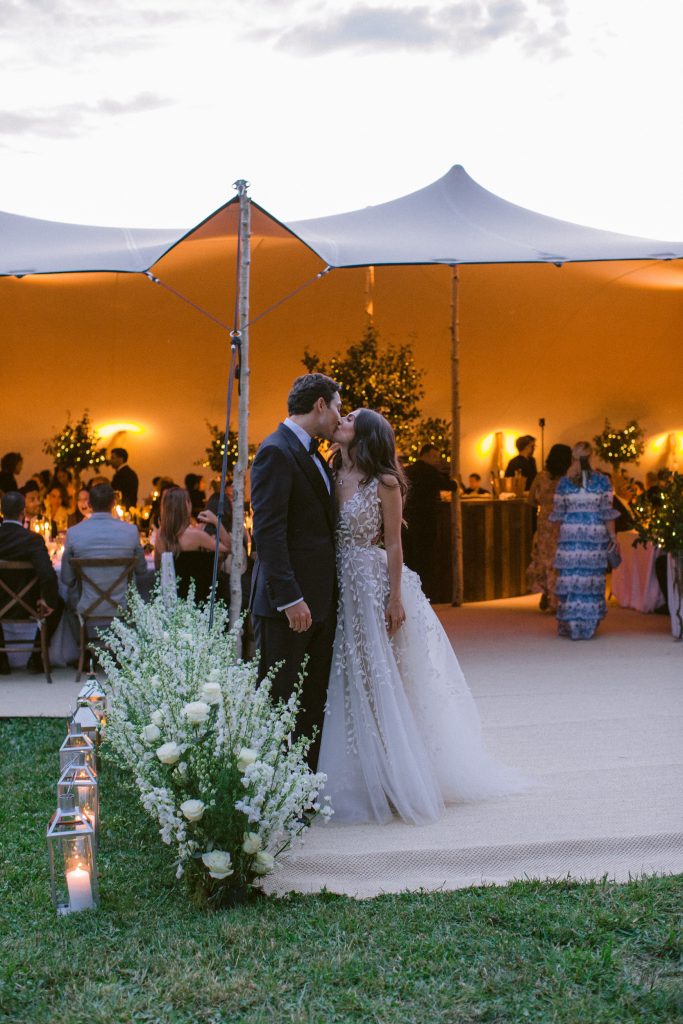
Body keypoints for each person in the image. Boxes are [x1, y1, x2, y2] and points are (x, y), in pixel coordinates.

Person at [318, 409, 527, 825]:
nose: (343, 418)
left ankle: (394, 778)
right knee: (342, 677)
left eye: (352, 417)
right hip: (333, 583)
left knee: (381, 678)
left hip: (368, 583)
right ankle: (354, 774)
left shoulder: (385, 482)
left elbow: (394, 545)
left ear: (366, 434)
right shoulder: (328, 472)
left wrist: (395, 597)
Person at [250, 372, 342, 769]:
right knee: (276, 703)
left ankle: (302, 789)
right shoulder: (276, 451)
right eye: (337, 407)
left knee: (311, 703)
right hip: (287, 606)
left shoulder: (312, 453)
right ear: (320, 405)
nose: (340, 416)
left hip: (319, 604)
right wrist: (290, 598)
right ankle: (267, 790)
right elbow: (268, 533)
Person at [549, 441, 619, 640]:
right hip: (594, 536)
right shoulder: (603, 481)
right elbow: (607, 512)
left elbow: (558, 514)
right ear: (591, 457)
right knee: (591, 580)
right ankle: (588, 626)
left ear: (573, 458)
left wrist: (558, 540)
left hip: (570, 536)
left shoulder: (564, 482)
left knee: (571, 580)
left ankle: (571, 624)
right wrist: (612, 537)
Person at [61, 482, 147, 617]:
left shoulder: (73, 533)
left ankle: (82, 637)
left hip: (87, 608)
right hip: (124, 606)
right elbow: (142, 570)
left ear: (89, 504)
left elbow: (67, 579)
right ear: (113, 503)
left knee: (67, 609)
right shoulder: (130, 531)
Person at [0, 491, 62, 674]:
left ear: (2, 512)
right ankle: (37, 655)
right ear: (23, 513)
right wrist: (48, 601)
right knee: (59, 603)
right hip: (30, 604)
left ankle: (1, 660)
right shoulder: (32, 540)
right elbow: (48, 575)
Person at [154, 486, 230, 603]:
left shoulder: (160, 535)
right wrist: (216, 521)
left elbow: (157, 567)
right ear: (186, 505)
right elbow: (227, 547)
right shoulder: (196, 535)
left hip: (170, 596)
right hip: (195, 597)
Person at [403, 443, 455, 601]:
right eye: (434, 456)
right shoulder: (430, 472)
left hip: (408, 520)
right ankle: (423, 592)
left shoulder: (407, 470)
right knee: (425, 559)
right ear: (424, 455)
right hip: (426, 520)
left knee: (410, 557)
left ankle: (409, 592)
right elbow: (451, 486)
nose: (436, 460)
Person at [526, 443, 572, 611]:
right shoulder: (568, 480)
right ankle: (556, 599)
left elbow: (530, 500)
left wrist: (544, 505)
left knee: (545, 559)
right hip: (562, 524)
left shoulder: (540, 477)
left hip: (545, 523)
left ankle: (546, 593)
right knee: (559, 562)